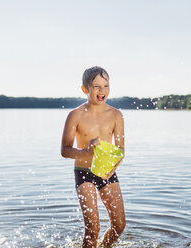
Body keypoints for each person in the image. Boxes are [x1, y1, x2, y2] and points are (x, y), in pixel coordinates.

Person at [61, 66, 126, 247]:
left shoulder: (116, 115)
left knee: (119, 225)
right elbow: (65, 150)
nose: (102, 91)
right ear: (85, 89)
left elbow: (120, 150)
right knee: (92, 227)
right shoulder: (75, 115)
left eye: (105, 86)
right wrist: (85, 152)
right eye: (96, 86)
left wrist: (113, 166)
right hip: (83, 172)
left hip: (107, 171)